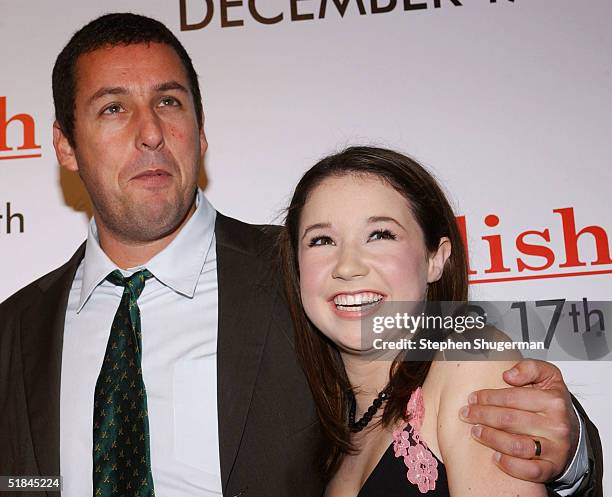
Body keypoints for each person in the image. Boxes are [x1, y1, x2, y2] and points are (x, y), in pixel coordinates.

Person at [0, 13, 601, 497]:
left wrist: (566, 445)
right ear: (64, 144)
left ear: (201, 130)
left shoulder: (310, 277)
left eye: (169, 102)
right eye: (112, 108)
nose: (149, 132)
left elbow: (467, 358)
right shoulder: (13, 329)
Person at [278, 146, 603, 496]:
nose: (347, 266)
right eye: (322, 240)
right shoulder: (316, 434)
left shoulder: (469, 361)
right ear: (297, 270)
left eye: (380, 235)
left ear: (436, 258)